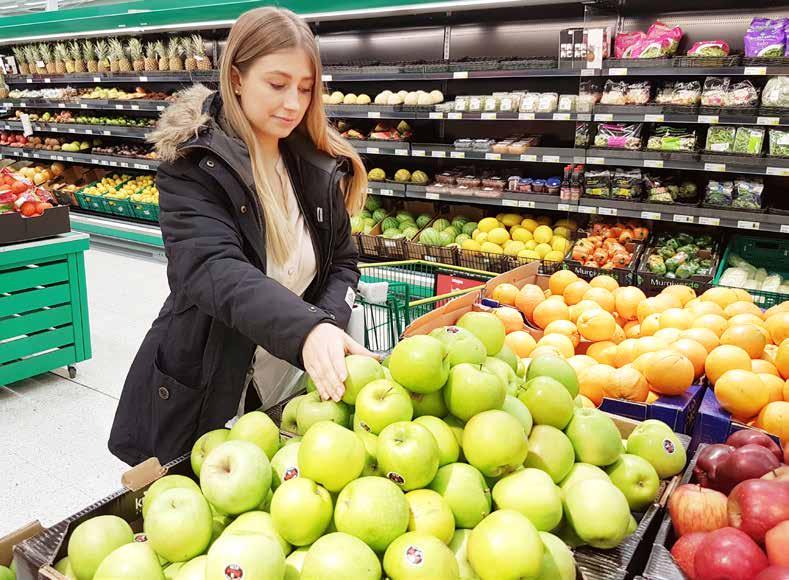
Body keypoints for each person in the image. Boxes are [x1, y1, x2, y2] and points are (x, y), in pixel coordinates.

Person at [109, 6, 373, 466]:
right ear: (235, 78)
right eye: (277, 84)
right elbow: (214, 269)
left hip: (292, 389)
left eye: (306, 89)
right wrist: (306, 328)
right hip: (210, 384)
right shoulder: (192, 166)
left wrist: (325, 323)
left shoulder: (314, 165)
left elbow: (343, 264)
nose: (293, 103)